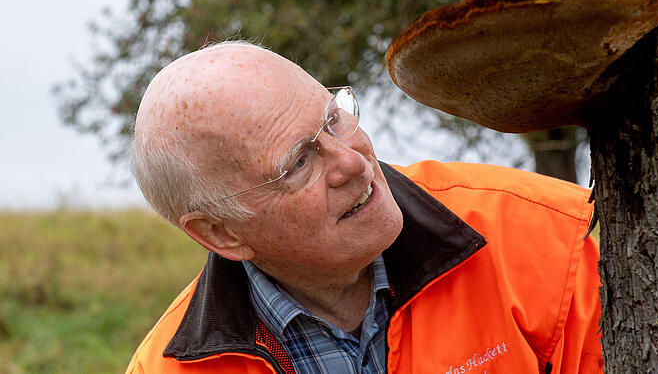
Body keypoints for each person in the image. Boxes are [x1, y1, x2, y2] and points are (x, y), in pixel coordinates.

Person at [126, 42, 603, 374]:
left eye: (333, 119)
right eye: (298, 163)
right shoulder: (169, 370)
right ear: (221, 234)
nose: (354, 162)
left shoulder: (550, 238)